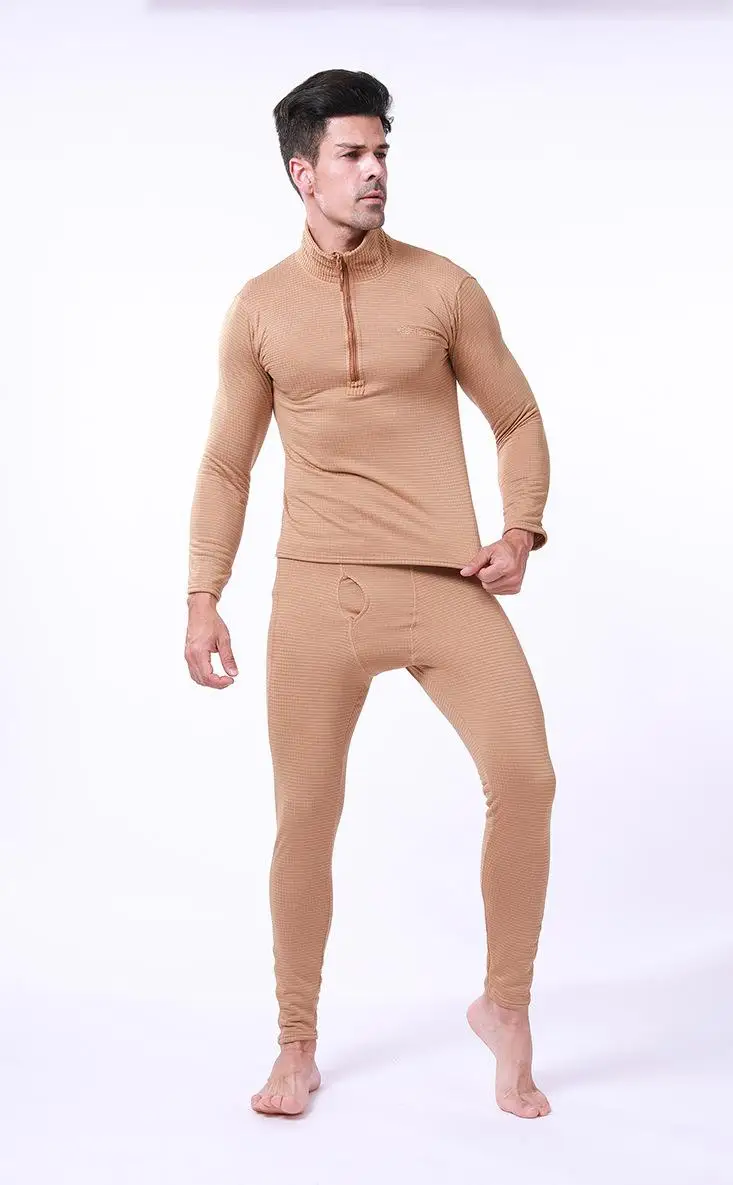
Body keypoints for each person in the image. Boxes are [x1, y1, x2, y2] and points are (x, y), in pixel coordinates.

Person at [185, 69, 556, 1120]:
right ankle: (295, 1044)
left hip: (442, 584)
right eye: (352, 155)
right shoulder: (260, 309)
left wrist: (519, 527)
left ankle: (506, 1009)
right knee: (305, 816)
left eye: (382, 152)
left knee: (525, 776)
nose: (375, 171)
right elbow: (226, 465)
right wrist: (203, 592)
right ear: (302, 173)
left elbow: (517, 417)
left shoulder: (444, 288)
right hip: (316, 596)